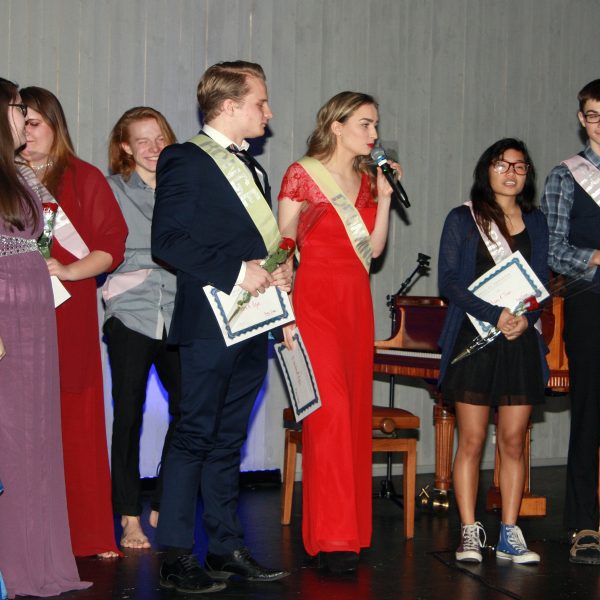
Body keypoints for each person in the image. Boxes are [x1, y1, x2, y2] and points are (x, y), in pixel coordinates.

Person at [151, 60, 291, 595]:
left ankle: (226, 547)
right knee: (193, 434)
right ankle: (176, 555)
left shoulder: (254, 169)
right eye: (261, 102)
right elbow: (168, 241)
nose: (268, 112)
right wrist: (237, 271)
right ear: (230, 106)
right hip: (210, 322)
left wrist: (277, 269)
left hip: (253, 320)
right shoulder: (185, 158)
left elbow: (252, 245)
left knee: (229, 439)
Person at [277, 92, 395, 573]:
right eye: (365, 124)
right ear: (337, 125)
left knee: (354, 414)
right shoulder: (301, 174)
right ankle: (332, 537)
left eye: (376, 125)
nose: (374, 134)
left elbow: (376, 250)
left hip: (356, 304)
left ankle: (351, 530)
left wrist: (386, 198)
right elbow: (281, 249)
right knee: (329, 415)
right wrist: (283, 316)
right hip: (314, 304)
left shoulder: (369, 180)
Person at [20, 86, 127, 558]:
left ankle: (86, 531)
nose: (26, 132)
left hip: (68, 309)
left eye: (35, 123)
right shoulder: (6, 178)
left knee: (74, 414)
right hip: (14, 312)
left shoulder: (83, 178)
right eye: (20, 123)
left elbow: (111, 247)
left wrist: (67, 269)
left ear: (55, 126)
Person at [438, 138, 549, 565]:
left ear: (527, 174)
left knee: (514, 441)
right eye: (502, 165)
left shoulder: (536, 220)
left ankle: (509, 533)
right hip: (475, 339)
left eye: (519, 166)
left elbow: (541, 283)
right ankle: (469, 530)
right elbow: (449, 280)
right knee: (471, 439)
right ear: (487, 170)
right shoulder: (462, 218)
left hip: (519, 342)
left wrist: (526, 317)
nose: (510, 173)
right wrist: (496, 313)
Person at [0, 77, 91, 598]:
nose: (24, 117)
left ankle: (40, 560)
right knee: (10, 435)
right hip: (6, 307)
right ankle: (13, 565)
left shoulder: (18, 170)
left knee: (36, 433)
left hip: (34, 309)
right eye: (18, 108)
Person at [103, 106, 181, 549]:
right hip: (130, 311)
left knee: (189, 409)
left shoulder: (183, 188)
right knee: (129, 415)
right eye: (143, 140)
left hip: (179, 310)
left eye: (160, 138)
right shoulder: (111, 189)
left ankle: (164, 500)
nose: (154, 147)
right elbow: (106, 249)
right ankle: (129, 517)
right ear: (126, 147)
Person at [541, 79, 600, 565]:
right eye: (594, 115)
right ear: (582, 119)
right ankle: (584, 524)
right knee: (589, 413)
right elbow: (553, 249)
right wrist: (596, 257)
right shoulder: (566, 176)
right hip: (591, 302)